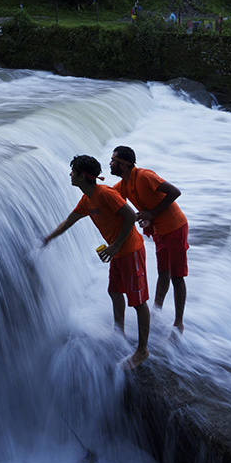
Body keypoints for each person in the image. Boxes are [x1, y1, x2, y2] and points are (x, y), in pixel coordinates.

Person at [43, 155, 151, 368]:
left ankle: (142, 350)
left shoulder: (105, 194)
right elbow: (70, 220)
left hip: (130, 250)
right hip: (117, 252)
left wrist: (116, 246)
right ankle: (118, 332)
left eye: (73, 172)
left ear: (82, 176)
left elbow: (130, 216)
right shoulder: (87, 199)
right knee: (114, 291)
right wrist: (49, 238)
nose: (70, 175)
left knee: (138, 302)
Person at [109, 146, 188, 334]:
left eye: (113, 160)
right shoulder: (124, 185)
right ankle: (157, 312)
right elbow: (109, 198)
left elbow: (175, 192)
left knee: (177, 276)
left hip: (176, 227)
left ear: (125, 163)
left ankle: (179, 323)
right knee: (163, 273)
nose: (110, 163)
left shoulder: (144, 176)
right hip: (160, 231)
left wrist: (152, 213)